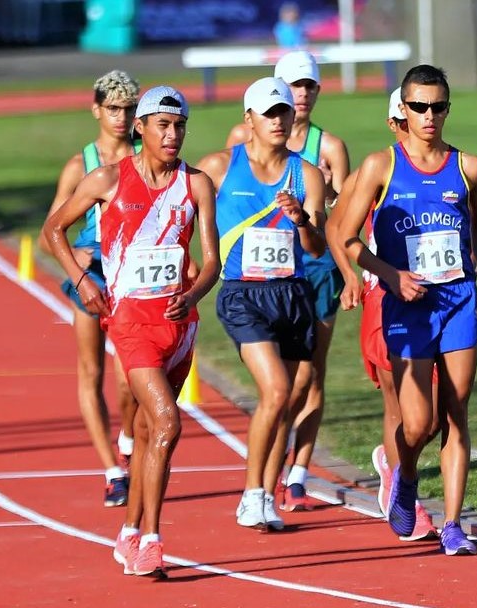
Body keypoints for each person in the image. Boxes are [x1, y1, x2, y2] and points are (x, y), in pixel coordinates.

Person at [43, 85, 220, 577]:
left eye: (180, 125)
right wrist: (82, 280)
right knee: (168, 423)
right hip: (130, 323)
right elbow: (53, 230)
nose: (173, 134)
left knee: (145, 433)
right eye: (162, 125)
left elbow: (212, 262)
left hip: (178, 326)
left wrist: (195, 292)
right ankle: (152, 540)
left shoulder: (197, 185)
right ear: (140, 128)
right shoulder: (106, 179)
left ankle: (126, 532)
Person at [335, 65, 477, 556]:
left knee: (456, 412)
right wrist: (390, 276)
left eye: (439, 107)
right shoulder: (380, 166)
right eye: (420, 107)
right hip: (407, 307)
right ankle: (405, 474)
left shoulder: (470, 168)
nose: (430, 116)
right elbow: (346, 238)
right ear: (402, 111)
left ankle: (452, 525)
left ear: (449, 108)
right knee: (418, 423)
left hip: (457, 300)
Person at [198, 77, 326, 531]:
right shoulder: (217, 166)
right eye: (268, 113)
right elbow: (178, 209)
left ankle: (267, 495)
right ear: (247, 119)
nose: (278, 120)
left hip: (291, 294)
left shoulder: (307, 174)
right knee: (273, 391)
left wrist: (301, 219)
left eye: (284, 112)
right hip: (242, 294)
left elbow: (314, 247)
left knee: (287, 400)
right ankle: (251, 494)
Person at [225, 50, 350, 512]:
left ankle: (294, 472)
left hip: (310, 274)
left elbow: (341, 216)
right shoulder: (237, 147)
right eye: (291, 87)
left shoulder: (326, 151)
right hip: (253, 284)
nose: (299, 96)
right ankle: (259, 487)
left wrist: (317, 215)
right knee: (278, 388)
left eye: (308, 86)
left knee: (307, 381)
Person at [327, 88, 437, 541]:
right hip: (383, 302)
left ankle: (392, 460)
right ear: (394, 123)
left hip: (436, 299)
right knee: (399, 405)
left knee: (437, 417)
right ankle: (398, 484)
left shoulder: (443, 169)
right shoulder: (371, 173)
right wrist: (351, 278)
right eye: (405, 118)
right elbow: (337, 230)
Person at [39, 70, 141, 508]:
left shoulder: (147, 155)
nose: (120, 118)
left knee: (130, 380)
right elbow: (51, 228)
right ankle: (112, 471)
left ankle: (130, 434)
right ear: (96, 109)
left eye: (128, 110)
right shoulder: (81, 164)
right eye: (113, 109)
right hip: (93, 273)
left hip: (136, 274)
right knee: (91, 372)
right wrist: (75, 261)